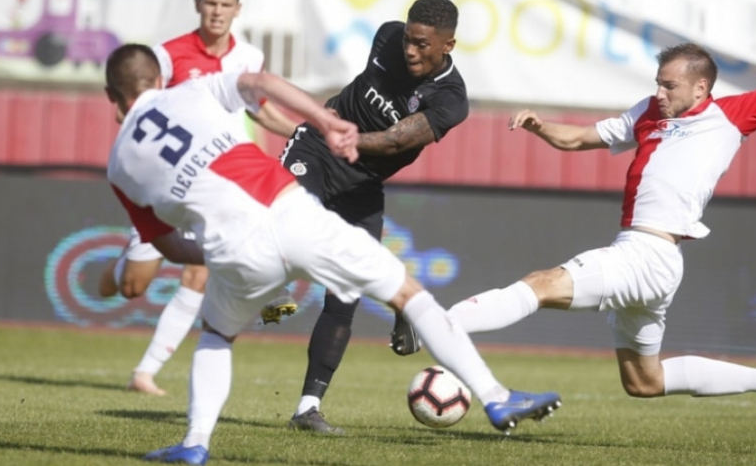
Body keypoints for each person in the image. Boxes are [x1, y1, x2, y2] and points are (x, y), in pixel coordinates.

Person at [396, 0, 756, 415]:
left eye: (670, 85)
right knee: (644, 381)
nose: (659, 93)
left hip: (647, 255)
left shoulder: (730, 116)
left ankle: (432, 323)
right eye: (657, 83)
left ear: (701, 87)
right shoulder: (648, 113)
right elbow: (578, 139)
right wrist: (539, 126)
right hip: (650, 260)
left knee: (541, 283)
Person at [102, 44, 562, 465]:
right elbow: (262, 83)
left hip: (234, 249)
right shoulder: (192, 92)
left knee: (217, 335)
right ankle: (495, 396)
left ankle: (195, 444)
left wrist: (215, 254)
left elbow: (167, 245)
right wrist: (324, 120)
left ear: (111, 95)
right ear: (158, 79)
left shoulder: (119, 166)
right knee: (407, 293)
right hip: (289, 213)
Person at [260, 0, 471, 434]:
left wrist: (350, 139)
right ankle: (271, 289)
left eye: (422, 45)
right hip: (317, 148)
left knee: (344, 298)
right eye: (408, 39)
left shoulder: (451, 99)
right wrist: (333, 132)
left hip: (362, 181)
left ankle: (307, 409)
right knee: (287, 217)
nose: (409, 50)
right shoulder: (387, 36)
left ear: (448, 45)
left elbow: (397, 140)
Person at [98, 0, 298, 396]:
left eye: (225, 5)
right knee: (133, 287)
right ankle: (120, 269)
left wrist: (305, 132)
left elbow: (258, 108)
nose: (217, 12)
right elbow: (134, 112)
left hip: (218, 185)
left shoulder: (249, 57)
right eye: (210, 3)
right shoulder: (166, 56)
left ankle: (144, 373)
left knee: (198, 274)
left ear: (238, 9)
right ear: (197, 5)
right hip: (169, 182)